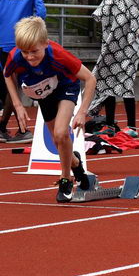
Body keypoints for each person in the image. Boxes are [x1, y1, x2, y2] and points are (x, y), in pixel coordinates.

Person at [3, 17, 95, 202]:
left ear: (45, 43)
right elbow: (7, 75)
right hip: (44, 94)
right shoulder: (16, 56)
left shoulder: (58, 54)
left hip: (66, 87)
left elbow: (90, 78)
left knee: (61, 133)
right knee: (57, 141)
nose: (30, 57)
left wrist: (82, 112)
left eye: (34, 51)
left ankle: (66, 179)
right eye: (25, 52)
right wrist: (18, 105)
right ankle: (75, 163)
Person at [90, 0, 139, 138]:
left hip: (128, 47)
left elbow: (136, 21)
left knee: (126, 84)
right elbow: (100, 14)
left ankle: (132, 126)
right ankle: (110, 124)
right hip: (110, 46)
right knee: (107, 83)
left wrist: (132, 39)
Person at [0, 0, 46, 143]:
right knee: (14, 86)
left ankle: (9, 129)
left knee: (9, 84)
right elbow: (41, 14)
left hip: (1, 43)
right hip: (21, 43)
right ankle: (15, 129)